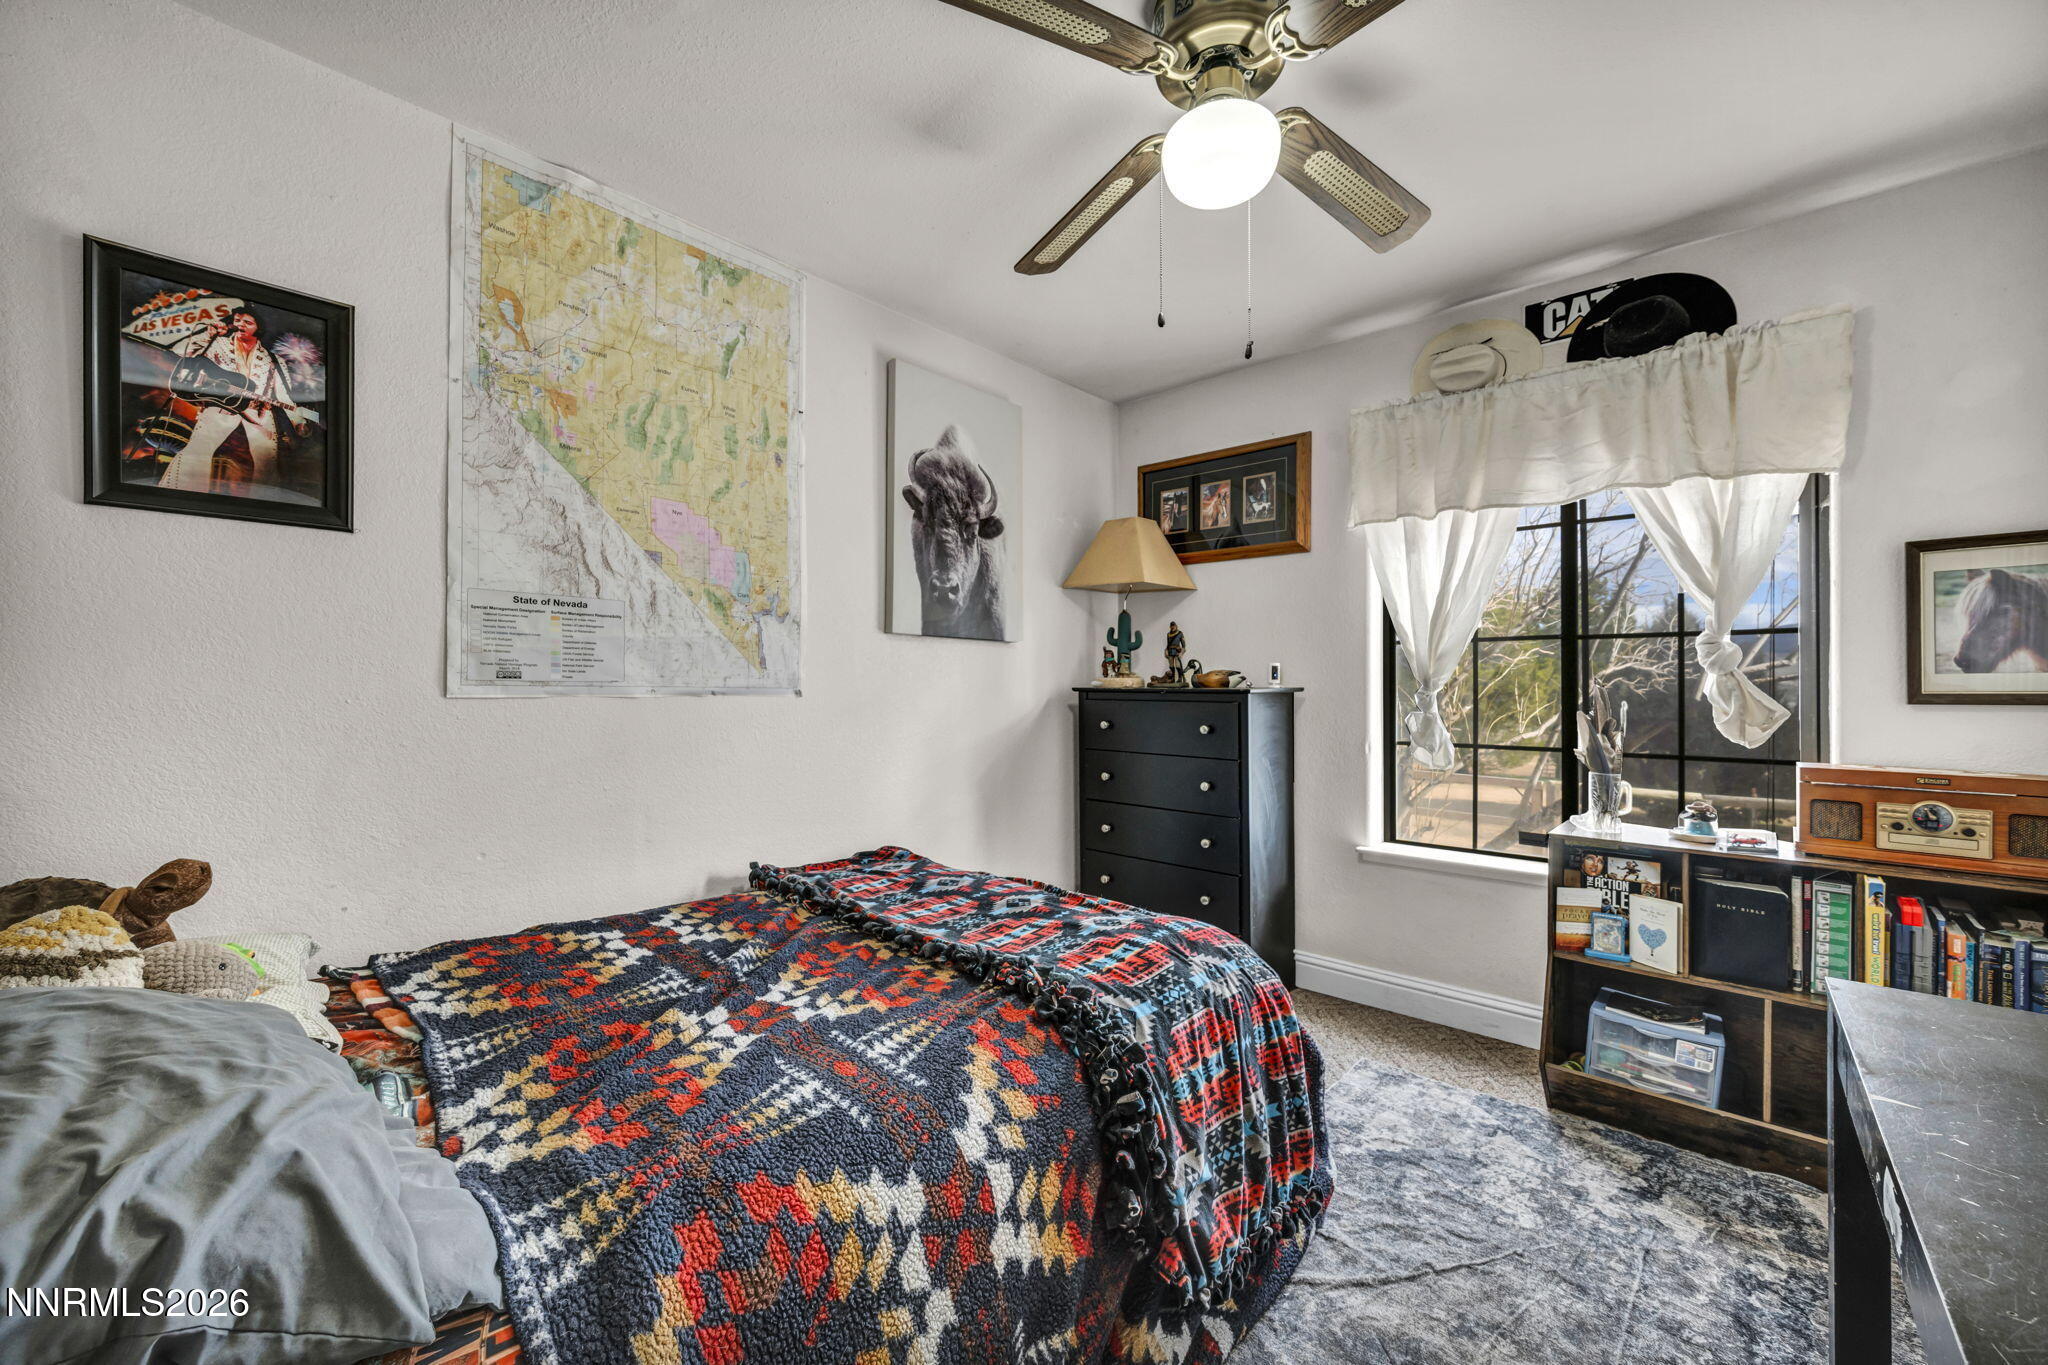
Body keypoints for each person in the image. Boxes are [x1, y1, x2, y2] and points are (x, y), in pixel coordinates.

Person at [157, 307, 304, 493]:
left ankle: (264, 506)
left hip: (258, 410)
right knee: (198, 450)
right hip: (222, 405)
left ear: (258, 328)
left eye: (247, 322)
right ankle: (180, 494)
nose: (240, 324)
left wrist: (298, 419)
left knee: (266, 460)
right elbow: (180, 351)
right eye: (237, 320)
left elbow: (283, 394)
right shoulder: (218, 342)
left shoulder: (273, 359)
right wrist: (207, 335)